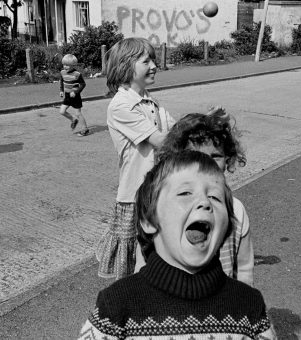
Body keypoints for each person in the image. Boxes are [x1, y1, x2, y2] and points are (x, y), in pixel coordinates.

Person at [79, 150, 277, 340]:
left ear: (227, 228)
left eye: (215, 198)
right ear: (149, 221)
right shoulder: (116, 307)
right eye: (185, 193)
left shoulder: (249, 306)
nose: (204, 202)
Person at [95, 37, 176, 280]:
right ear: (126, 66)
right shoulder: (121, 105)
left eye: (153, 59)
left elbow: (174, 129)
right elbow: (162, 140)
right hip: (136, 194)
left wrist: (203, 123)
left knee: (160, 255)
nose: (154, 65)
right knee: (141, 262)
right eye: (146, 61)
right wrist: (193, 129)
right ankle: (136, 308)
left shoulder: (150, 100)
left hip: (159, 188)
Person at [153, 112, 254, 286]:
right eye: (195, 155)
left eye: (215, 156)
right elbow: (144, 264)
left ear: (228, 159)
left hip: (223, 306)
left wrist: (246, 302)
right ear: (177, 158)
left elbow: (244, 268)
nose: (206, 163)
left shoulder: (237, 210)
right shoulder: (164, 208)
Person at [59, 54, 89, 137]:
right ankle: (73, 119)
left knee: (78, 113)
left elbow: (83, 84)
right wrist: (61, 90)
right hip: (67, 96)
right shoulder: (62, 72)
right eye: (64, 64)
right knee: (62, 111)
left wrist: (75, 92)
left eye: (67, 65)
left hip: (75, 96)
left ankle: (85, 129)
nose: (65, 67)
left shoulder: (77, 74)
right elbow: (62, 81)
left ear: (73, 65)